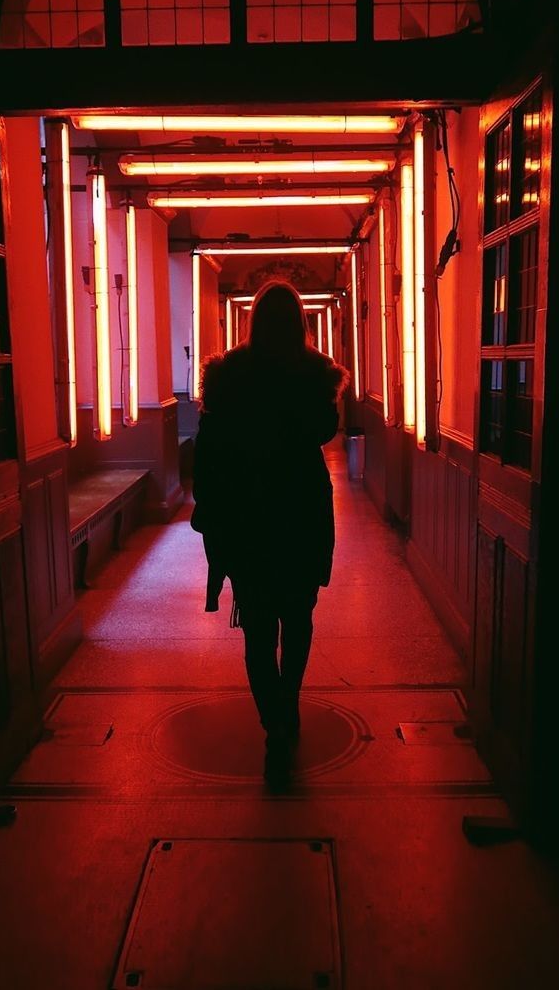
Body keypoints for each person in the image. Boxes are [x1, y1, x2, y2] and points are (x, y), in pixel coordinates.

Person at [190, 279, 349, 787]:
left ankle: (273, 725)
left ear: (253, 321)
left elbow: (209, 452)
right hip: (301, 514)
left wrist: (212, 518)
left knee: (258, 627)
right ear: (302, 321)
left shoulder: (228, 376)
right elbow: (327, 430)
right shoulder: (315, 376)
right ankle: (289, 703)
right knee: (298, 618)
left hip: (249, 519)